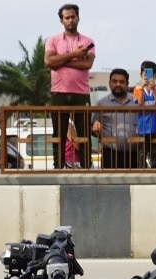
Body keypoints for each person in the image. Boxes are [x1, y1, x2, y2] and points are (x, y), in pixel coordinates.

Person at [44, 3, 95, 169]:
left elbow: (87, 64)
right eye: (67, 17)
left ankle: (87, 166)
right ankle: (58, 166)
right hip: (59, 92)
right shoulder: (53, 40)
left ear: (78, 18)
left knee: (84, 133)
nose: (70, 20)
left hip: (81, 93)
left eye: (73, 16)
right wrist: (74, 55)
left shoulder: (88, 41)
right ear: (61, 20)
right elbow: (49, 62)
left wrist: (62, 62)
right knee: (59, 133)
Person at [91, 68, 139, 169]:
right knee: (110, 184)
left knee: (134, 184)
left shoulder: (136, 103)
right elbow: (93, 129)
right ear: (109, 83)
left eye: (122, 82)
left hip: (134, 155)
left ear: (127, 84)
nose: (118, 84)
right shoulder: (101, 104)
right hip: (109, 155)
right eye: (115, 81)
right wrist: (95, 129)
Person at [131, 60, 156, 168]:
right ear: (141, 75)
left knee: (155, 151)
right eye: (144, 74)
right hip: (142, 126)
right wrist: (142, 89)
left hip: (155, 126)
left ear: (155, 76)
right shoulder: (137, 89)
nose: (147, 77)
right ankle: (141, 171)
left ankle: (155, 169)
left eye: (151, 75)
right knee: (142, 151)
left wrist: (154, 90)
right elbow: (140, 103)